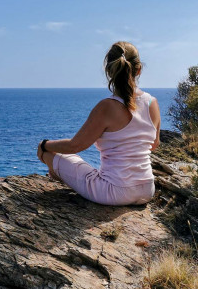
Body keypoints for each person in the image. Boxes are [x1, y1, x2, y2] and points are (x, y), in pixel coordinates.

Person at [36, 41, 161, 206]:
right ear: (138, 70)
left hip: (114, 192)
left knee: (50, 154)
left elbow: (75, 146)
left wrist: (45, 145)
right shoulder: (152, 103)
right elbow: (154, 145)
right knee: (74, 161)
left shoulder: (107, 107)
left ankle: (56, 173)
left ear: (109, 71)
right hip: (147, 189)